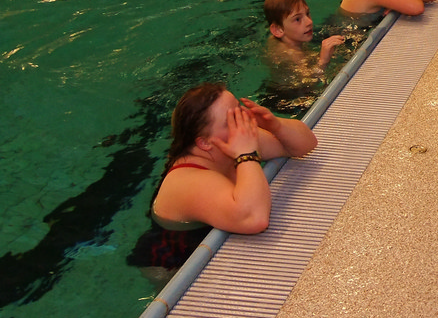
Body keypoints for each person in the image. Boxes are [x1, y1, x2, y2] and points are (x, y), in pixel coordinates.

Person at [131, 82, 319, 275]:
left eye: (239, 111)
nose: (243, 121)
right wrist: (247, 155)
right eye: (231, 120)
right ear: (204, 142)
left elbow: (306, 144)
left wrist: (275, 125)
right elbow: (255, 219)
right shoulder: (189, 180)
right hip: (169, 260)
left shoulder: (232, 140)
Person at [264, 0, 345, 81]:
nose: (309, 22)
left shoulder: (282, 40)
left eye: (307, 14)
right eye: (297, 19)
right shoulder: (291, 54)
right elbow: (309, 81)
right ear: (278, 30)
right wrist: (323, 61)